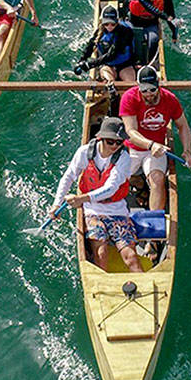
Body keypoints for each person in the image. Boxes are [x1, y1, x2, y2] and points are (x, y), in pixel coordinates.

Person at [49, 116, 141, 273]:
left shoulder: (124, 158)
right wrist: (57, 204)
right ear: (100, 138)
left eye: (119, 142)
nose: (115, 146)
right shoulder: (85, 152)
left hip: (117, 209)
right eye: (110, 142)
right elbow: (69, 176)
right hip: (93, 210)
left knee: (130, 256)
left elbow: (110, 188)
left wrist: (81, 199)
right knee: (101, 253)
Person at [120, 66, 191, 214]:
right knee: (117, 180)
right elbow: (131, 131)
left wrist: (187, 151)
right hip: (133, 148)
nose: (149, 94)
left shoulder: (170, 99)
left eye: (152, 89)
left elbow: (183, 126)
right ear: (138, 86)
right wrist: (150, 144)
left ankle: (154, 222)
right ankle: (138, 183)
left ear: (158, 84)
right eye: (144, 90)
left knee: (158, 180)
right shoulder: (129, 97)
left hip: (155, 151)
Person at [118, 0, 180, 67]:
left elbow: (169, 8)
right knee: (130, 41)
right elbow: (147, 5)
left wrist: (174, 33)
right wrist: (166, 17)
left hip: (151, 21)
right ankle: (132, 64)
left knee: (154, 40)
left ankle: (149, 65)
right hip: (134, 20)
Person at [74, 5, 138, 82]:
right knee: (109, 83)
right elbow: (90, 46)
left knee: (129, 83)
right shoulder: (99, 31)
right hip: (107, 65)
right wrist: (82, 60)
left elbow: (112, 54)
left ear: (117, 22)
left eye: (113, 24)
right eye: (106, 24)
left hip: (125, 64)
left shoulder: (125, 32)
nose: (109, 27)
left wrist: (90, 64)